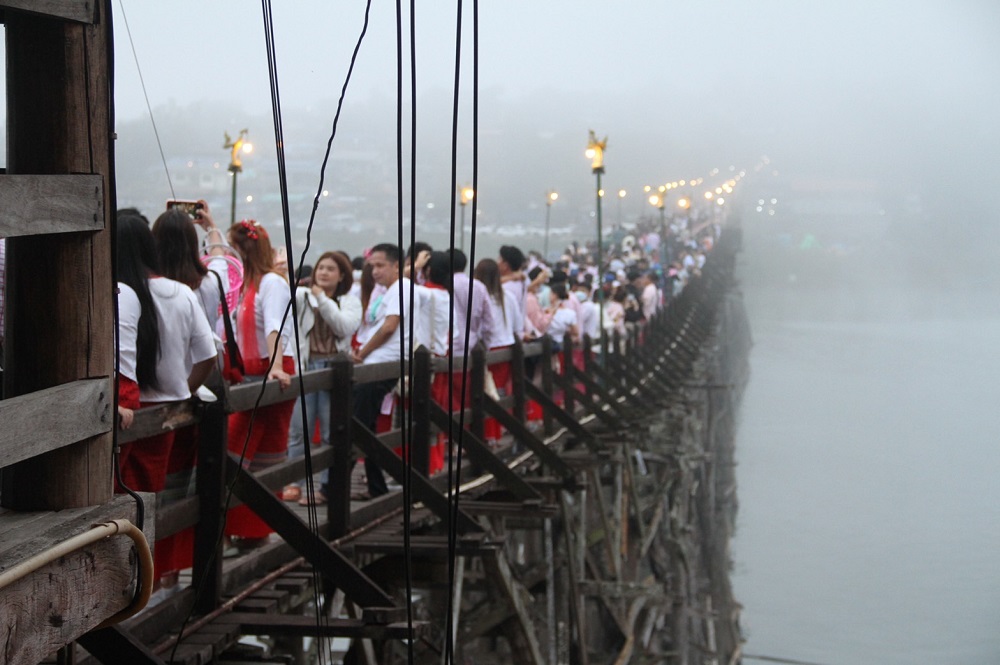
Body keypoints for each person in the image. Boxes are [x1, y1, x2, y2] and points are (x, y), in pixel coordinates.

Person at [115, 212, 217, 583]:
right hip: (166, 412)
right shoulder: (180, 293)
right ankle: (153, 577)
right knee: (156, 494)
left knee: (112, 497)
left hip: (121, 408)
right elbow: (207, 356)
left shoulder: (113, 291)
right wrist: (184, 388)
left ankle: (120, 582)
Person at [225, 219, 295, 547]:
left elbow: (274, 327)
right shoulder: (244, 285)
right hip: (251, 373)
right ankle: (247, 530)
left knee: (243, 450)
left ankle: (252, 528)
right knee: (256, 452)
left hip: (272, 370)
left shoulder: (271, 283)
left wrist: (276, 366)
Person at [286, 250, 361, 505]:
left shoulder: (349, 301)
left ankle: (327, 488)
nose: (323, 273)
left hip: (334, 371)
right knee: (299, 430)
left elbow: (343, 326)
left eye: (330, 269)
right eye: (320, 268)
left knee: (331, 432)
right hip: (307, 368)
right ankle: (294, 482)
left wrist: (322, 298)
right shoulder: (303, 297)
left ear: (342, 275)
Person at [350, 243, 412, 499]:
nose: (374, 271)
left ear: (397, 265)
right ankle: (377, 487)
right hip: (376, 363)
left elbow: (389, 327)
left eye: (380, 266)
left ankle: (331, 488)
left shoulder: (401, 288)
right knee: (368, 428)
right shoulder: (388, 290)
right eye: (371, 266)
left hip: (381, 365)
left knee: (355, 426)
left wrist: (361, 354)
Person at [474, 258, 517, 445]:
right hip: (506, 347)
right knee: (497, 391)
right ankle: (498, 431)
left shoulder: (478, 295)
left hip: (485, 349)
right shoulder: (508, 297)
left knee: (483, 392)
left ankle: (488, 433)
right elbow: (517, 324)